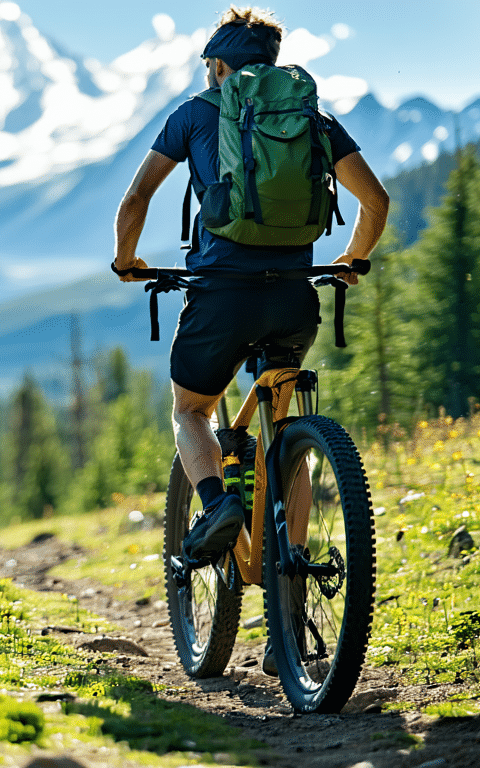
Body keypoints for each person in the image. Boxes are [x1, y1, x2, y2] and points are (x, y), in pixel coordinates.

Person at [112, 8, 389, 569]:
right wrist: (352, 259)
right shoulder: (313, 119)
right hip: (294, 299)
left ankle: (216, 505)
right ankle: (290, 587)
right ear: (271, 63)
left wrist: (127, 261)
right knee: (284, 440)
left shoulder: (193, 114)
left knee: (190, 411)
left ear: (217, 65)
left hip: (221, 299)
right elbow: (376, 202)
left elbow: (136, 198)